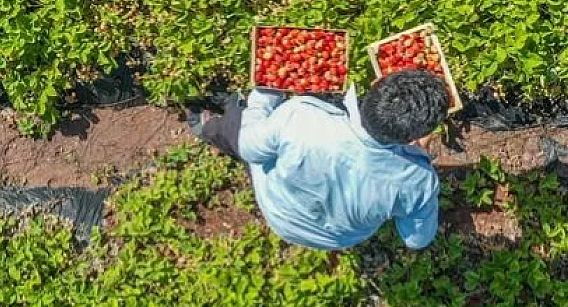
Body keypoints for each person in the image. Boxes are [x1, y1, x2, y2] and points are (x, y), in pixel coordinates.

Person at [194, 70, 452, 251]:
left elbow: (251, 150)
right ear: (419, 134)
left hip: (281, 213)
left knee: (240, 126)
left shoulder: (302, 117)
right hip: (338, 237)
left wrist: (264, 95)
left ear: (376, 83)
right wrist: (418, 155)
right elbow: (416, 240)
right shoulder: (417, 182)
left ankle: (206, 126)